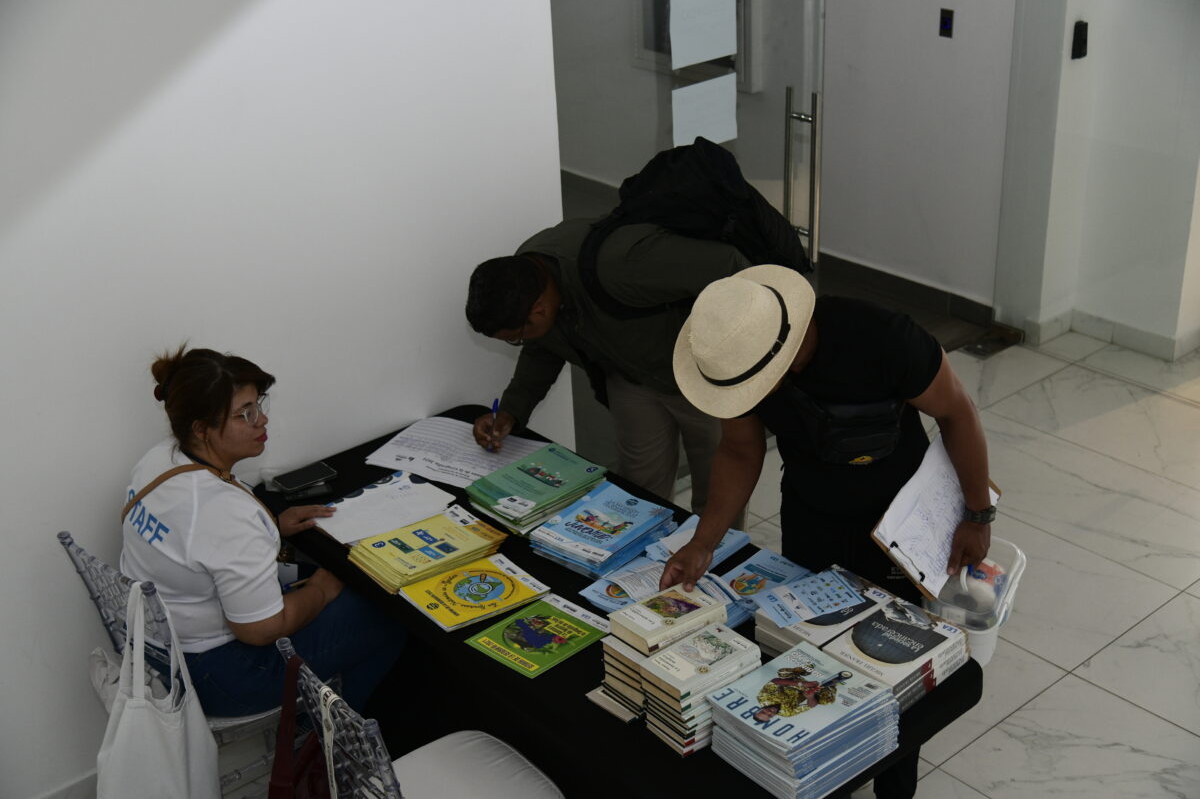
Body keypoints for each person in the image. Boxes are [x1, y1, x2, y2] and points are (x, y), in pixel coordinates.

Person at [661, 265, 991, 799]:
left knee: (894, 663)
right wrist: (703, 542)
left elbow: (957, 412)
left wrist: (977, 514)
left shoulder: (885, 338)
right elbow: (740, 450)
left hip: (897, 523)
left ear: (784, 350)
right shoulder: (740, 360)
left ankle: (894, 790)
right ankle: (828, 768)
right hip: (811, 514)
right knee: (808, 648)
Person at [120, 346, 405, 716]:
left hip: (159, 648)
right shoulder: (224, 516)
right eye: (246, 413)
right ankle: (337, 737)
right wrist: (321, 590)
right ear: (201, 429)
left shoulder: (160, 458)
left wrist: (270, 523)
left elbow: (199, 540)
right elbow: (261, 629)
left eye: (258, 405)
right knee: (384, 611)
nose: (263, 420)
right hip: (221, 675)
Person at [464, 217, 750, 514]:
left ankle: (716, 544)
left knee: (718, 488)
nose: (521, 342)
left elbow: (728, 264)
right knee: (640, 495)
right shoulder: (528, 276)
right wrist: (511, 411)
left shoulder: (622, 263)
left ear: (538, 310)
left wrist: (739, 354)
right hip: (629, 377)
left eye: (516, 338)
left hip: (702, 373)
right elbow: (544, 346)